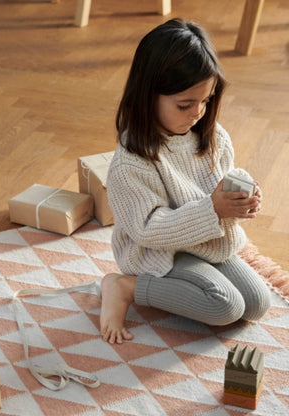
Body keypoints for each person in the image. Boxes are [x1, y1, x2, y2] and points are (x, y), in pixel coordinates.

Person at [100, 18, 271, 344]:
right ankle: (123, 286)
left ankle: (193, 277)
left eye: (206, 101)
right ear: (149, 95)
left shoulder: (212, 135)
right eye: (185, 104)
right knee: (226, 306)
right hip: (155, 251)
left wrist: (241, 195)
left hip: (203, 243)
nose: (198, 112)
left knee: (258, 304)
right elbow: (147, 229)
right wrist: (213, 210)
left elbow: (221, 178)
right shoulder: (130, 164)